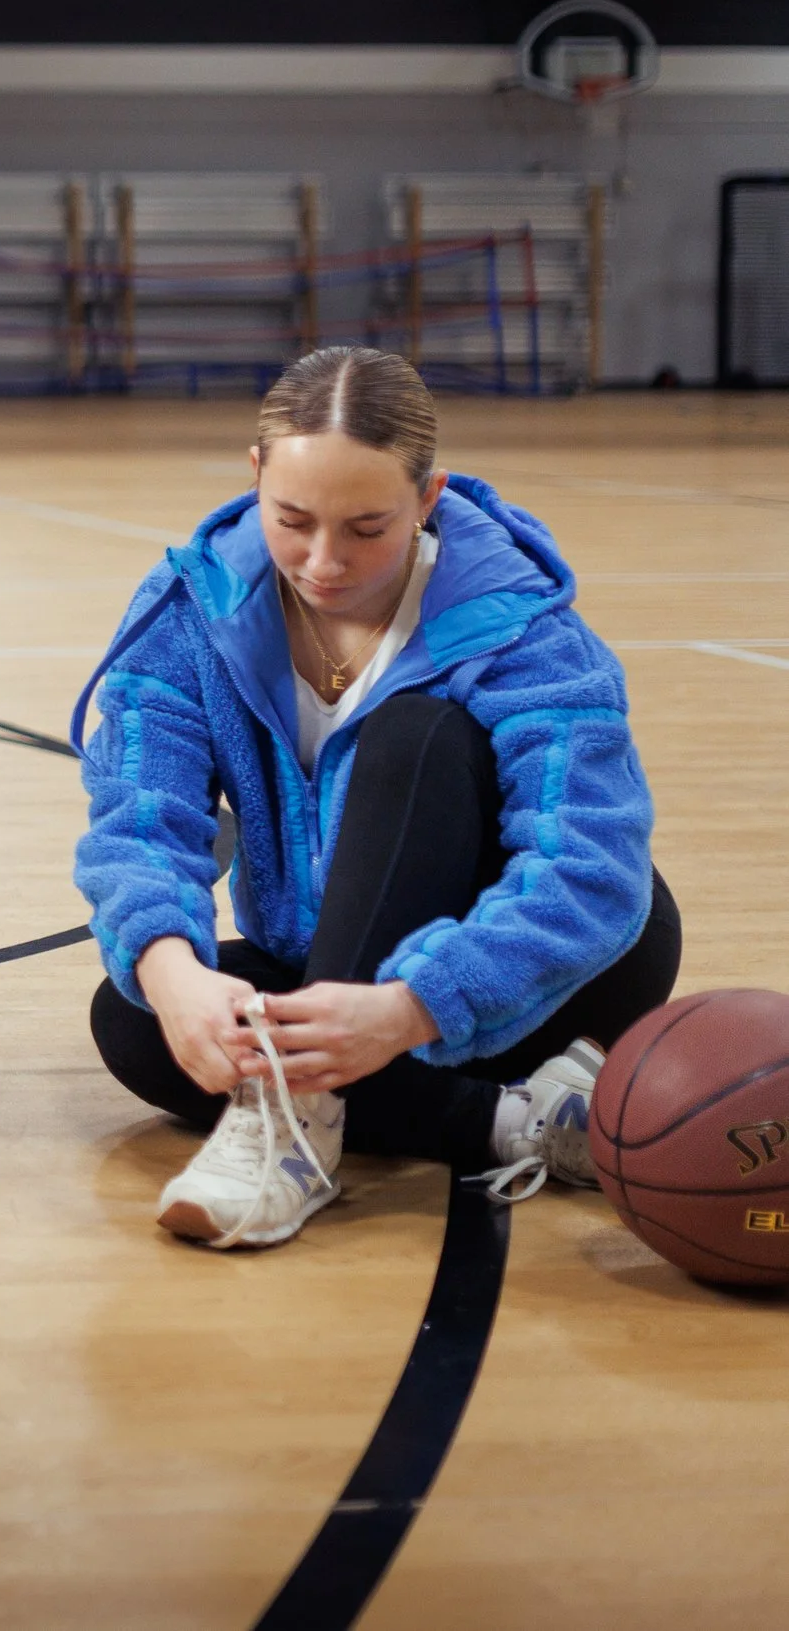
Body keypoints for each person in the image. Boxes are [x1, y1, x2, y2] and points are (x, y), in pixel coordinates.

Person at [71, 347, 681, 1249]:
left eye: (367, 527)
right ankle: (519, 1122)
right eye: (292, 520)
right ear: (255, 476)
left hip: (538, 979)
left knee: (412, 735)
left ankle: (293, 1122)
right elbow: (138, 820)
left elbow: (590, 869)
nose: (324, 561)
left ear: (429, 497)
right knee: (136, 1017)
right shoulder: (188, 612)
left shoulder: (519, 623)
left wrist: (409, 1006)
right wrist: (176, 978)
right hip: (337, 963)